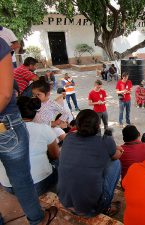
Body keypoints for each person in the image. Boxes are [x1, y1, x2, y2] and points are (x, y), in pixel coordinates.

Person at [0, 37, 57, 225]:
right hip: (5, 123)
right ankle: (37, 219)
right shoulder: (43, 129)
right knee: (21, 175)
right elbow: (6, 93)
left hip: (5, 187)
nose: (14, 46)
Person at [58, 109, 123, 217]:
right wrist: (119, 149)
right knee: (116, 164)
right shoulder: (105, 141)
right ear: (98, 126)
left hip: (65, 201)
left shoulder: (69, 137)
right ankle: (106, 206)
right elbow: (116, 156)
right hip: (90, 209)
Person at [0, 96, 60, 196]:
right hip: (39, 184)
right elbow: (55, 155)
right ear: (35, 112)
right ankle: (57, 194)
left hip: (9, 186)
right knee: (58, 162)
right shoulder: (43, 128)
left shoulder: (3, 130)